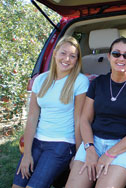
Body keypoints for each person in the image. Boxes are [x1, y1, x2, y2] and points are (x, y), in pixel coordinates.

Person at [65, 37, 126, 188]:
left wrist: (110, 154)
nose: (121, 58)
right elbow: (85, 119)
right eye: (116, 54)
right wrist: (89, 149)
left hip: (125, 146)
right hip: (94, 142)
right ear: (109, 56)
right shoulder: (98, 83)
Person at [12, 36, 89, 188]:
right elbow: (32, 118)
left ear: (77, 60)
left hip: (62, 144)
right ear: (54, 53)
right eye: (63, 53)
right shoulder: (40, 80)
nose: (67, 59)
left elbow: (79, 119)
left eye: (73, 56)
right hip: (37, 142)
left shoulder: (80, 81)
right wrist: (27, 154)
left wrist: (78, 155)